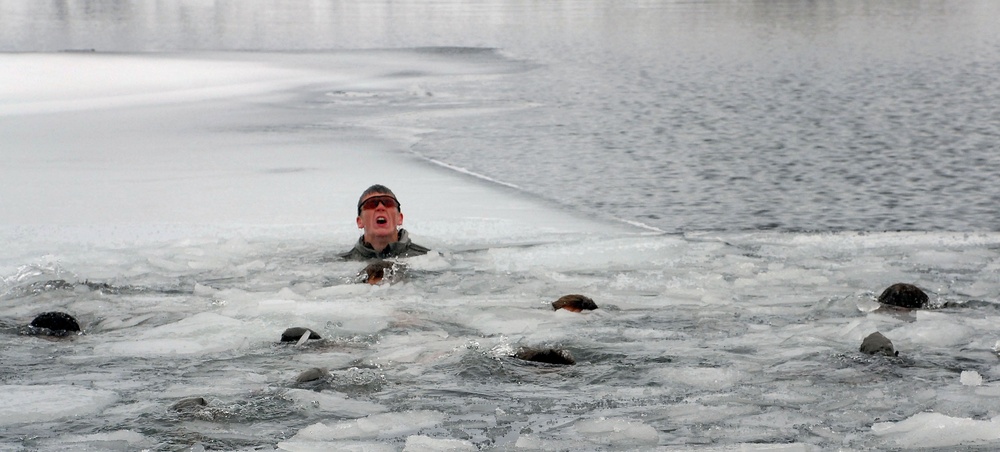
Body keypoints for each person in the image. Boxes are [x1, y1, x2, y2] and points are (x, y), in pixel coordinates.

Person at [340, 184, 430, 260]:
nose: (380, 207)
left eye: (388, 203)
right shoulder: (342, 264)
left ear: (400, 218)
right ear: (360, 222)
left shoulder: (428, 258)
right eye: (371, 204)